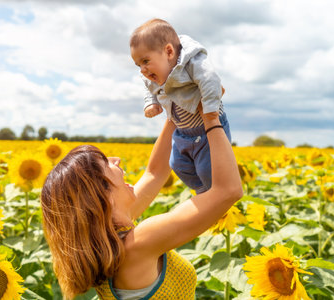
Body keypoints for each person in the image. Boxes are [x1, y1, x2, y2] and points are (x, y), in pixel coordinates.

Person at [40, 107, 243, 299]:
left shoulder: (113, 240)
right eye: (106, 163)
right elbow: (228, 191)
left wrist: (175, 109)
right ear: (102, 193)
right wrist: (211, 118)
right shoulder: (140, 242)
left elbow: (155, 173)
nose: (116, 160)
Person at [130, 18, 231, 194]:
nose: (142, 70)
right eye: (138, 65)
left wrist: (210, 113)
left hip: (206, 131)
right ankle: (203, 192)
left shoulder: (192, 64)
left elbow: (211, 80)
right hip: (183, 133)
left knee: (208, 169)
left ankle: (215, 196)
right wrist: (151, 103)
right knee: (177, 165)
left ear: (169, 51)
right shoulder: (155, 74)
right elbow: (149, 88)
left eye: (145, 61)